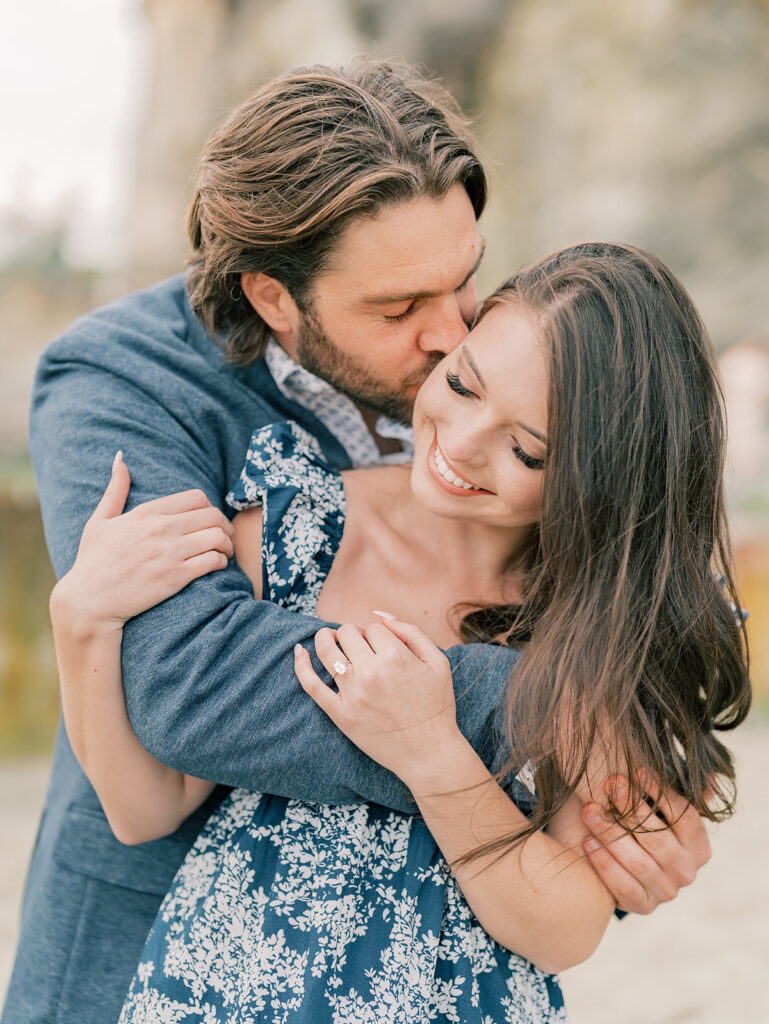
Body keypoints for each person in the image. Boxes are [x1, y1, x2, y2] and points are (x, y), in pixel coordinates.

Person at [2, 61, 714, 1024]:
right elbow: (194, 686)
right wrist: (599, 715)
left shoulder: (505, 354)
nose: (445, 334)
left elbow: (629, 530)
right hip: (156, 960)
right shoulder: (126, 384)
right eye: (397, 310)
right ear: (273, 298)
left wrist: (613, 824)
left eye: (463, 281)